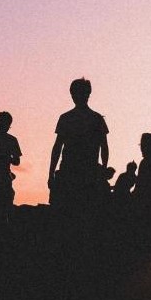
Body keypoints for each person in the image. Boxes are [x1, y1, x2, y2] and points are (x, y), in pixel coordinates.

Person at [49, 78, 109, 208]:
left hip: (86, 174)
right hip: (71, 172)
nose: (78, 96)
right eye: (76, 93)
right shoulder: (68, 118)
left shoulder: (95, 119)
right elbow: (57, 147)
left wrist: (103, 171)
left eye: (82, 93)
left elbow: (104, 147)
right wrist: (51, 172)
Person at [133, 132, 151, 201]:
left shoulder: (145, 163)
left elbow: (139, 188)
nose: (141, 149)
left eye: (143, 145)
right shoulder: (145, 162)